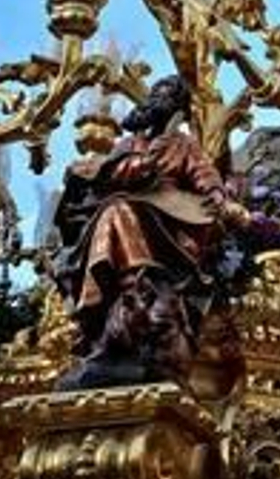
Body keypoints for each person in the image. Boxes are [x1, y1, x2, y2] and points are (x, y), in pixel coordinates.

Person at [55, 75, 228, 362]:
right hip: (130, 203)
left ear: (178, 107)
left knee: (119, 210)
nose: (160, 99)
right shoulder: (130, 143)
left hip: (171, 217)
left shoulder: (183, 143)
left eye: (168, 95)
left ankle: (141, 283)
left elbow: (205, 174)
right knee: (116, 210)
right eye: (157, 92)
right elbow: (109, 174)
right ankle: (126, 286)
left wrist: (216, 194)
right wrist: (140, 165)